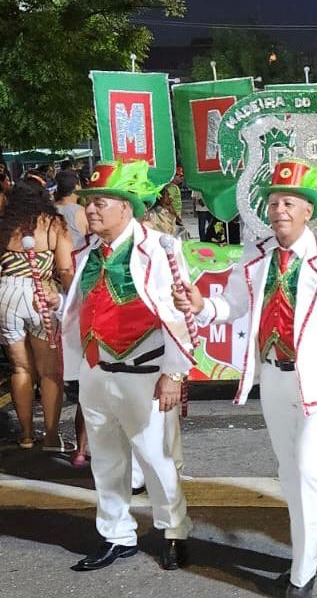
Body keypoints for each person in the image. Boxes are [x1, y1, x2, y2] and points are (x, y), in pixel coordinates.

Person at [175, 159, 317, 598]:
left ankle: (302, 571)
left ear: (307, 211)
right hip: (273, 378)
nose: (279, 209)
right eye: (274, 202)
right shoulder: (257, 254)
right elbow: (236, 305)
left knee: (306, 472)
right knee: (289, 472)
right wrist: (204, 304)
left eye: (289, 203)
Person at [43, 160, 195, 572]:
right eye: (89, 202)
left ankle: (174, 531)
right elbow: (85, 308)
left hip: (142, 372)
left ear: (127, 207)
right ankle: (116, 534)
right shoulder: (88, 251)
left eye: (102, 203)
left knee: (155, 458)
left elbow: (180, 315)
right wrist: (58, 306)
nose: (90, 210)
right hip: (96, 371)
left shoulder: (158, 249)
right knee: (106, 459)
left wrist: (174, 373)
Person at [0, 179, 73, 450]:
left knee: (20, 368)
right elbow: (65, 268)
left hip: (7, 293)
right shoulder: (54, 225)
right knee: (50, 372)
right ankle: (52, 436)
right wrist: (74, 298)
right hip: (41, 294)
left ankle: (27, 435)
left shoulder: (4, 225)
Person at [54, 169, 91, 465]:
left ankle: (80, 449)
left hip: (57, 290)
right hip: (79, 286)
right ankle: (82, 448)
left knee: (83, 382)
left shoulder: (48, 214)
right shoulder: (81, 213)